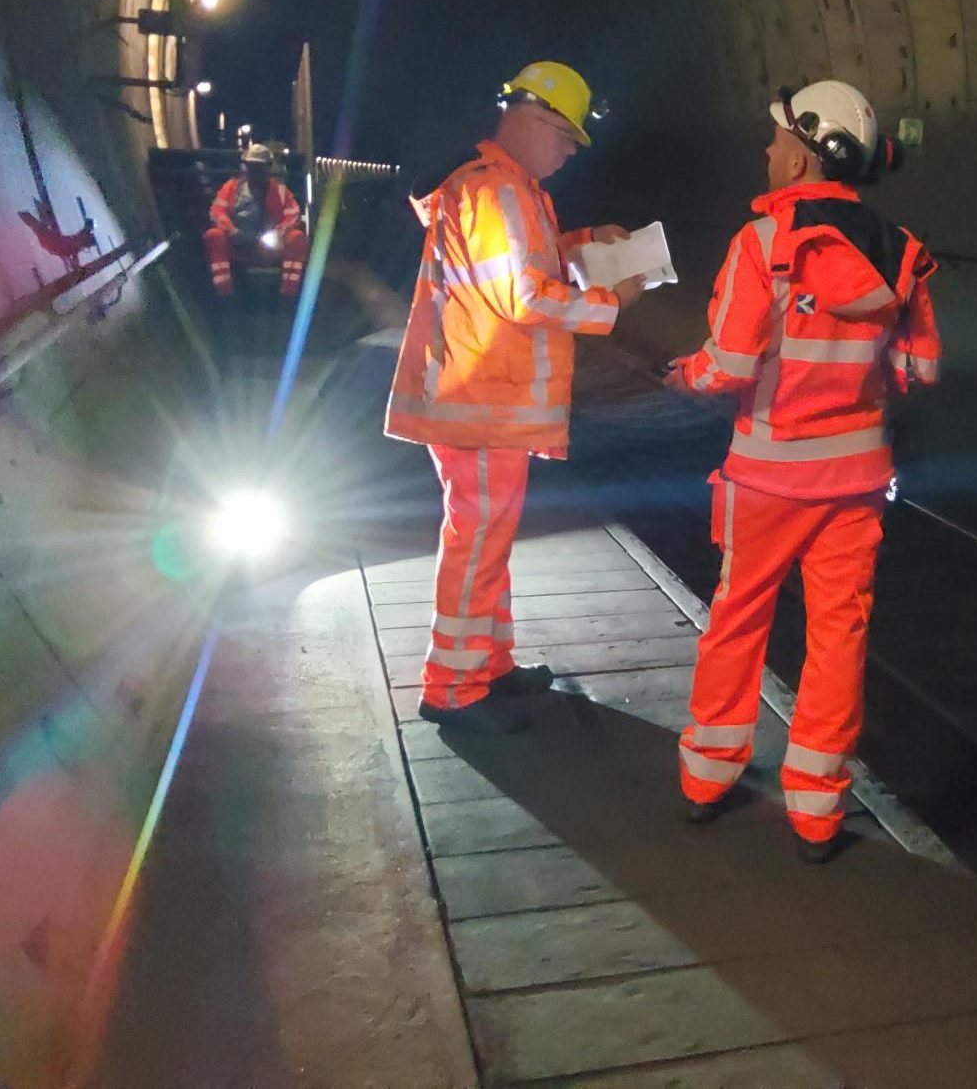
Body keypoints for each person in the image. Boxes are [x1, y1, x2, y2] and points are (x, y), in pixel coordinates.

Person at [666, 79, 940, 862]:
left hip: (766, 476)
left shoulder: (764, 245)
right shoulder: (904, 252)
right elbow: (920, 371)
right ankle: (818, 809)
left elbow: (727, 365)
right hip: (854, 484)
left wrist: (683, 374)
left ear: (805, 153)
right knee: (839, 633)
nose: (767, 148)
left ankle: (708, 779)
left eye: (777, 136)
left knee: (738, 621)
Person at [385, 61, 647, 733]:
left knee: (485, 542)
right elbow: (525, 294)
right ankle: (452, 687)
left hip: (481, 403)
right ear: (535, 121)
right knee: (475, 545)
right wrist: (612, 303)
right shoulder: (500, 192)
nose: (566, 156)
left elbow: (527, 261)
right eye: (565, 140)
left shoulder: (501, 187)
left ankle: (487, 665)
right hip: (482, 404)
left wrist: (587, 244)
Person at [203, 144, 308, 300]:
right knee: (213, 236)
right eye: (251, 166)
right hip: (237, 242)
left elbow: (292, 216)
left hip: (269, 247)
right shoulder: (231, 187)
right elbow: (217, 211)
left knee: (297, 238)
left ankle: (289, 295)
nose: (255, 171)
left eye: (259, 166)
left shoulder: (279, 190)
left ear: (268, 167)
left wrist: (277, 234)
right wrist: (231, 231)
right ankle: (225, 294)